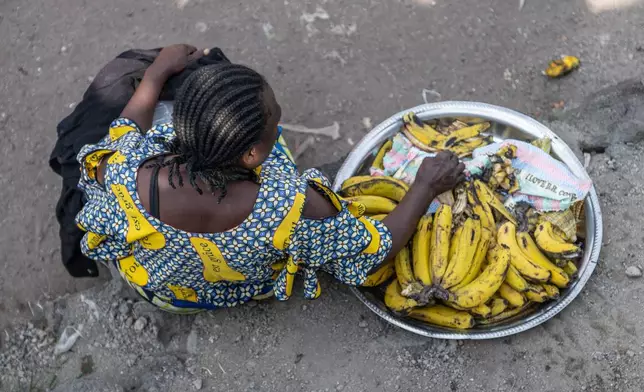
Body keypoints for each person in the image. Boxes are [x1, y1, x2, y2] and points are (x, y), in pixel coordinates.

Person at [75, 44, 464, 313]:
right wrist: (425, 185)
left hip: (162, 292)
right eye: (275, 119)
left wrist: (158, 71)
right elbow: (373, 254)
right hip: (230, 292)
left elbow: (126, 125)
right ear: (251, 155)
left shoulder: (127, 167)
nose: (278, 119)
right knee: (279, 167)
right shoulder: (293, 206)